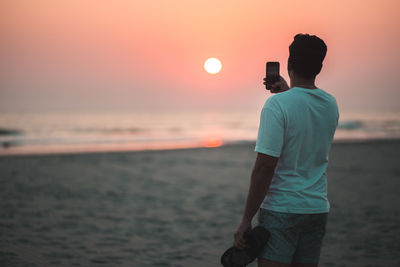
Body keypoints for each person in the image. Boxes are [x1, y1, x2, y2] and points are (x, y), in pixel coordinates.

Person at [233, 33, 339, 267]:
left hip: (282, 210)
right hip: (316, 209)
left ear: (289, 63)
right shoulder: (330, 104)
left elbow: (264, 168)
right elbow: (303, 118)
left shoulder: (276, 105)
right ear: (320, 67)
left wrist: (245, 220)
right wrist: (287, 91)